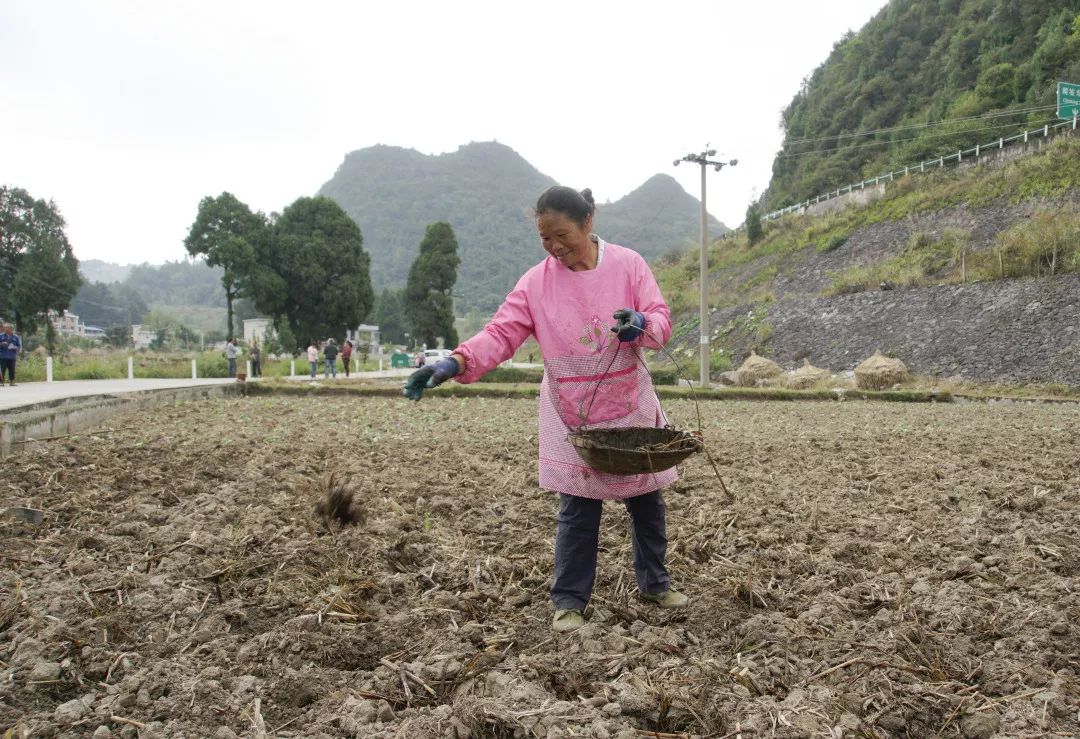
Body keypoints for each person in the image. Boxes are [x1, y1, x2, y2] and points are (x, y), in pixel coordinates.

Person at [403, 185, 686, 633]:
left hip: (629, 403)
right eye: (545, 239)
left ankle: (656, 583)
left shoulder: (629, 265)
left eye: (562, 235)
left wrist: (643, 323)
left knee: (646, 500)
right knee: (578, 509)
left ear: (588, 222)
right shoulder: (537, 283)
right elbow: (501, 333)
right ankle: (570, 601)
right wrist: (455, 362)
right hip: (573, 411)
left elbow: (661, 320)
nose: (555, 247)